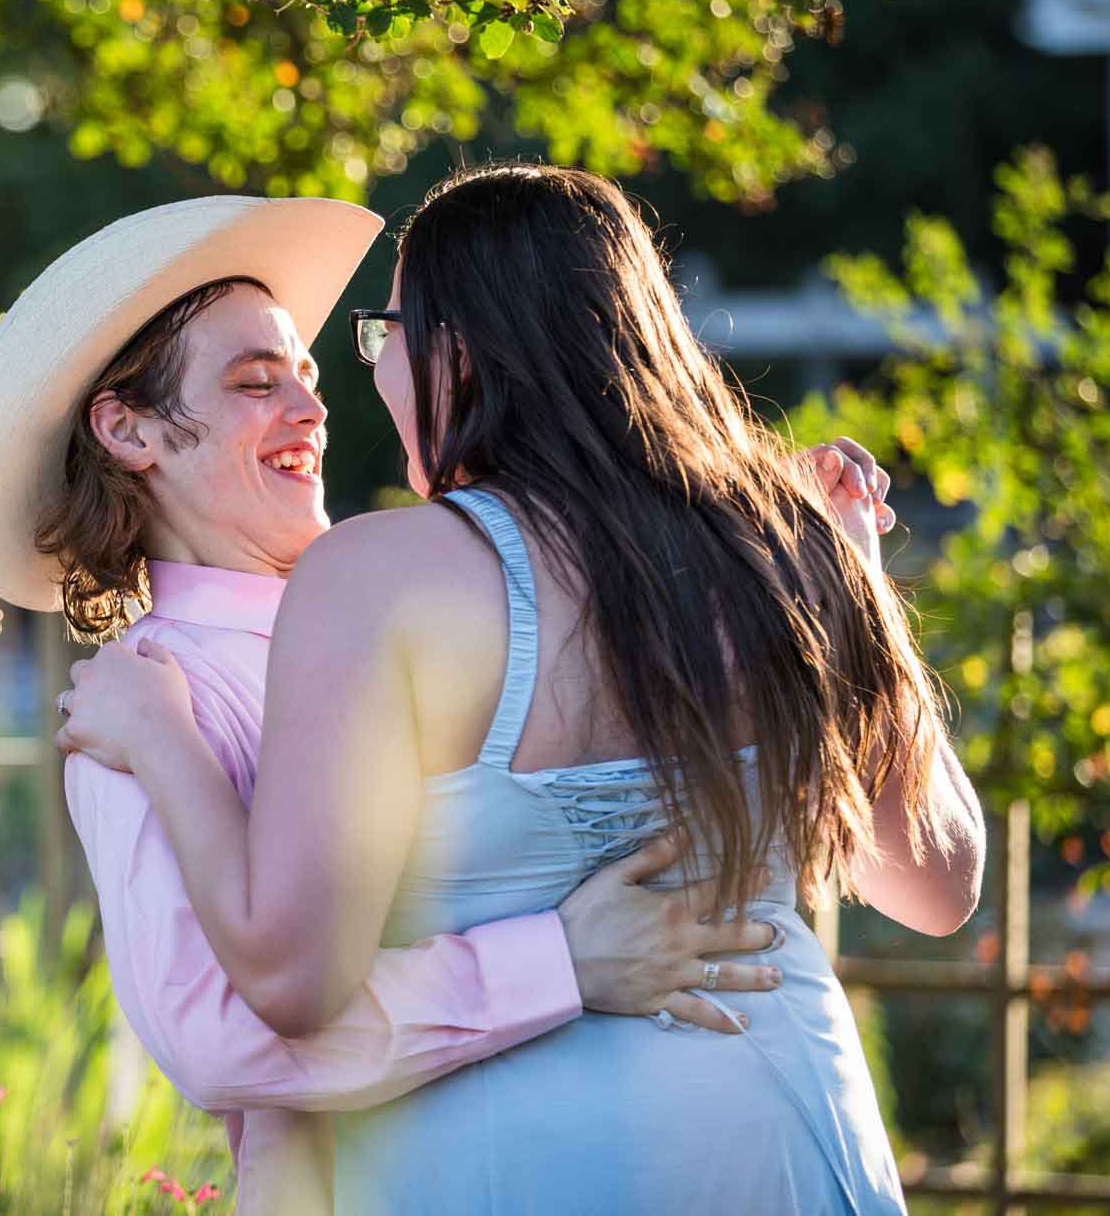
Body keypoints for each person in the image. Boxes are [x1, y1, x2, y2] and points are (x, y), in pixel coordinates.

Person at [54, 165, 985, 1215]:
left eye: (377, 336)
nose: (338, 394)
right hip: (788, 1132)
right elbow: (939, 888)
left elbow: (287, 983)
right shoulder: (792, 546)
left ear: (454, 348)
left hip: (511, 1165)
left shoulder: (368, 581)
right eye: (260, 380)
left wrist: (164, 746)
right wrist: (846, 572)